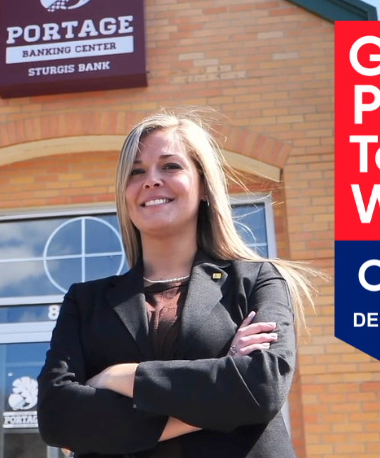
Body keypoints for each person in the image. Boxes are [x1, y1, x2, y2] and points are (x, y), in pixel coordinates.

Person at [37, 108, 321, 457]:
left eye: (170, 166)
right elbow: (56, 418)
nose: (151, 180)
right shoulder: (85, 301)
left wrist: (118, 377)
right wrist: (220, 391)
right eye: (136, 171)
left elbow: (262, 388)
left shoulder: (255, 279)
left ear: (203, 185)